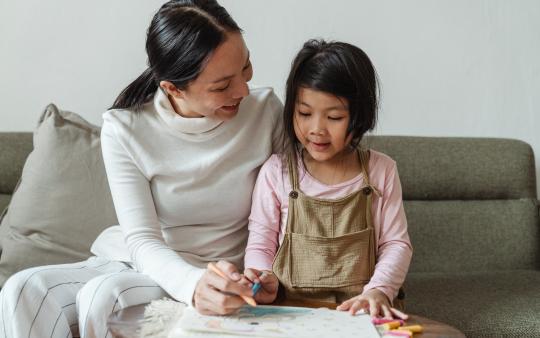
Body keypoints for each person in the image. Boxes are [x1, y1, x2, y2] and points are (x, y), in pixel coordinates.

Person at [0, 1, 283, 337]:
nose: (243, 90)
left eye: (246, 67)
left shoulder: (266, 112)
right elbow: (143, 241)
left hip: (220, 270)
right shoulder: (124, 128)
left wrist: (257, 273)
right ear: (173, 88)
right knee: (23, 289)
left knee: (104, 297)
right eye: (222, 86)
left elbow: (288, 207)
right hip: (143, 262)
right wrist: (193, 284)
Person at [242, 39, 413, 319]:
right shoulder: (277, 172)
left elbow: (396, 244)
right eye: (305, 114)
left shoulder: (381, 171)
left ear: (359, 116)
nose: (316, 129)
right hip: (290, 312)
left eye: (334, 117)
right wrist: (262, 279)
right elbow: (260, 245)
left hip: (361, 312)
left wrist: (379, 290)